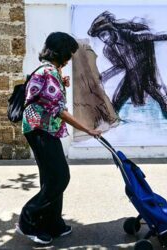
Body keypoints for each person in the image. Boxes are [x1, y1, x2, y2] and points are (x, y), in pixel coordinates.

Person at [16, 32, 102, 245]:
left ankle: (53, 222)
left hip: (41, 128)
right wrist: (87, 129)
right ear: (62, 52)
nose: (71, 57)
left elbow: (45, 95)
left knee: (51, 176)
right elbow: (59, 111)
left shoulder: (49, 69)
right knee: (59, 177)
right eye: (69, 53)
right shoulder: (49, 72)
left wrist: (60, 79)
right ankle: (28, 220)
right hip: (40, 130)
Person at [87, 11, 167, 127]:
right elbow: (120, 66)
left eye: (105, 34)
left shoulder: (129, 36)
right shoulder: (109, 50)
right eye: (101, 36)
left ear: (112, 30)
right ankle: (107, 126)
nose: (104, 39)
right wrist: (104, 75)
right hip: (131, 78)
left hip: (147, 76)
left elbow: (157, 36)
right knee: (116, 102)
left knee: (164, 101)